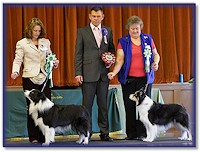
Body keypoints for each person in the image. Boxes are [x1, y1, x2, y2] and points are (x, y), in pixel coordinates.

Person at [107, 15, 160, 140]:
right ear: (128, 29)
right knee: (129, 106)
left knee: (145, 108)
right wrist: (114, 73)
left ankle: (144, 133)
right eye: (132, 29)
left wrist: (156, 62)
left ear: (140, 28)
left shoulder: (148, 39)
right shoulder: (123, 41)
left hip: (145, 79)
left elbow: (156, 54)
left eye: (137, 28)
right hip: (129, 80)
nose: (135, 31)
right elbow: (120, 60)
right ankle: (131, 134)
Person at [11, 17, 59, 143]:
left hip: (44, 77)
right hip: (29, 78)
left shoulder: (45, 42)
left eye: (39, 30)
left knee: (46, 108)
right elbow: (18, 59)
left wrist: (54, 62)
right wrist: (15, 71)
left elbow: (50, 56)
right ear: (29, 30)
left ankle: (45, 136)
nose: (37, 33)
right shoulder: (22, 43)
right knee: (32, 109)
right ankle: (33, 137)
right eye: (35, 31)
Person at [74, 6, 115, 141]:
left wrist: (110, 62)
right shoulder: (82, 32)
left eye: (99, 16)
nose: (96, 18)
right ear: (90, 17)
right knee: (87, 106)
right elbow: (78, 54)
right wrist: (78, 72)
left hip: (103, 75)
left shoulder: (108, 31)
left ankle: (105, 133)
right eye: (94, 16)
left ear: (103, 16)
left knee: (103, 105)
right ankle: (87, 133)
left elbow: (111, 51)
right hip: (87, 74)